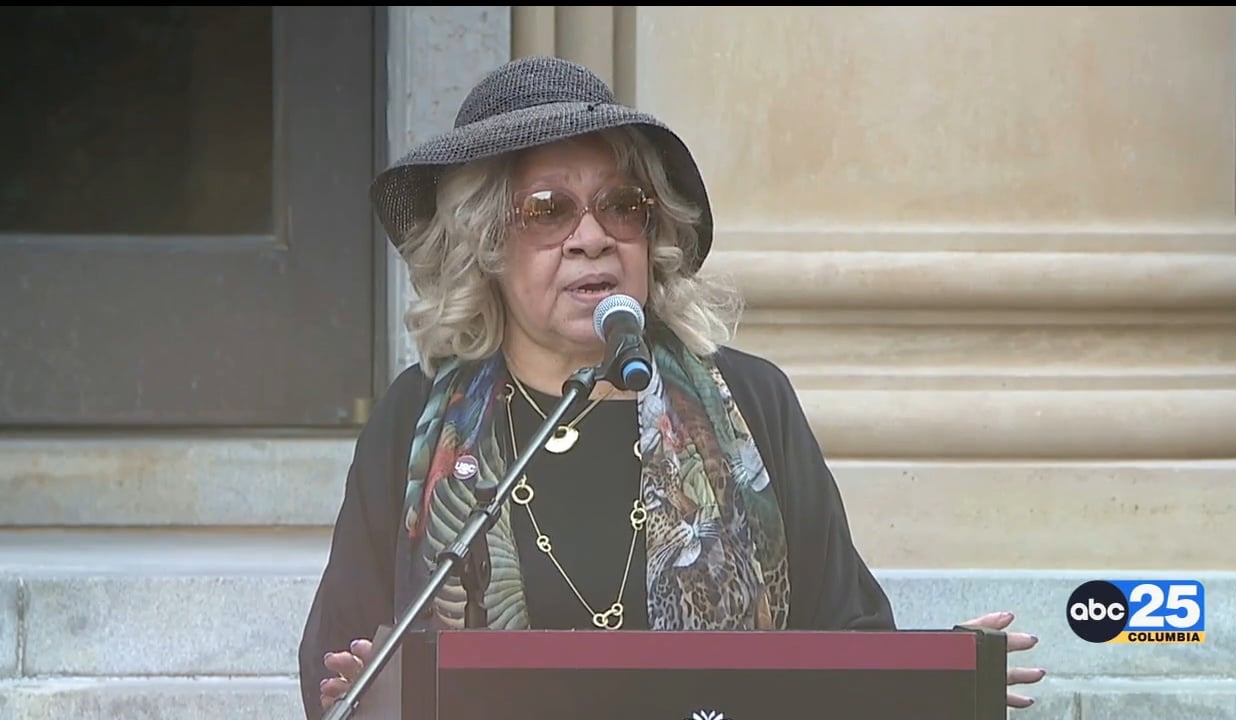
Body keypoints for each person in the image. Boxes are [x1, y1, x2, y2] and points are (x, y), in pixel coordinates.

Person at [297, 55, 1046, 718]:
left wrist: (934, 679)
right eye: (549, 210)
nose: (593, 237)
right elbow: (341, 665)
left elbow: (847, 640)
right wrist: (371, 695)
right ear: (485, 242)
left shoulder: (751, 402)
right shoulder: (417, 418)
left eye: (622, 206)